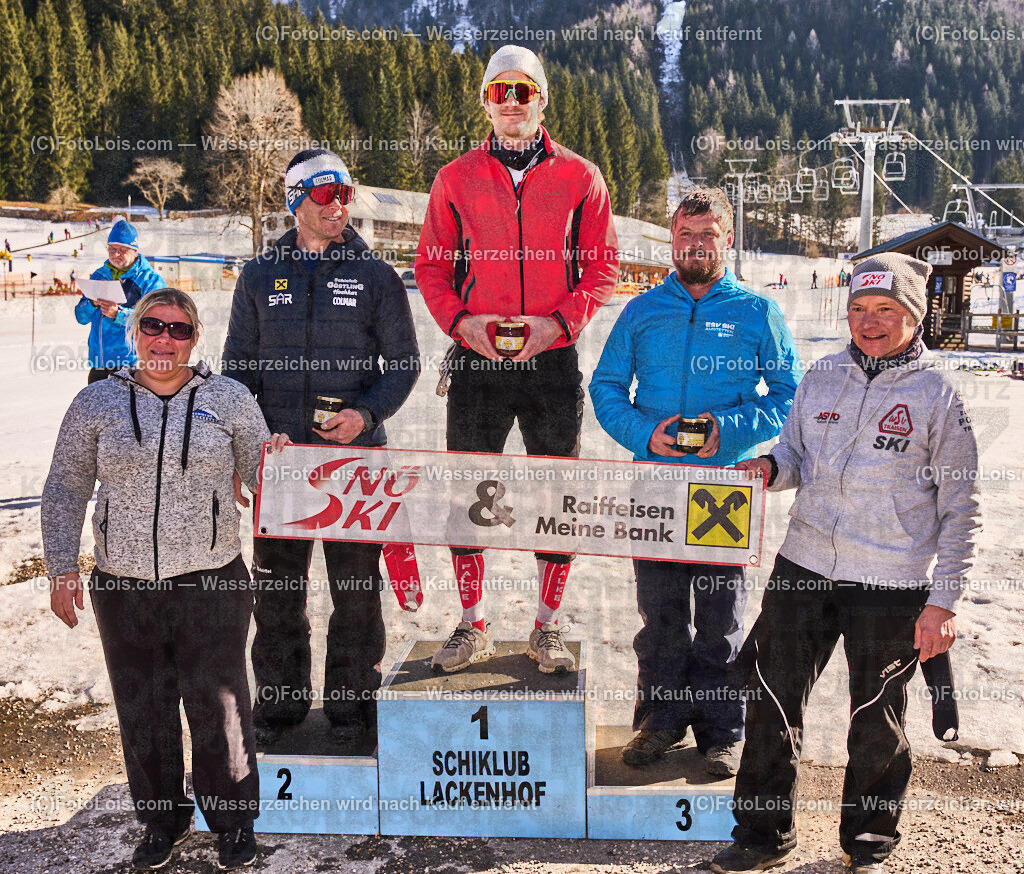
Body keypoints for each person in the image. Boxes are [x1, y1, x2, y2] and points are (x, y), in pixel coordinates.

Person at [711, 253, 981, 874]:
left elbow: (962, 509)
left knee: (876, 717)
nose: (870, 322)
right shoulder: (823, 374)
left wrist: (944, 601)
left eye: (886, 309)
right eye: (859, 309)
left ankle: (868, 844)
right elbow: (794, 453)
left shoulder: (939, 393)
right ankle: (761, 836)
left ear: (913, 314)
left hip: (889, 581)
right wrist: (770, 470)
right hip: (801, 565)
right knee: (772, 700)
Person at [42, 289, 286, 871]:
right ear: (134, 333)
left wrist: (276, 457)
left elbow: (263, 481)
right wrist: (61, 567)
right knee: (143, 705)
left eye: (178, 330)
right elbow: (66, 484)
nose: (164, 339)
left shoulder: (228, 398)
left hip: (213, 581)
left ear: (195, 339)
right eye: (153, 326)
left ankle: (232, 823)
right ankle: (160, 821)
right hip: (123, 585)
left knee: (219, 704)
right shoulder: (96, 402)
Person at [415, 44, 619, 674]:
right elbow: (430, 265)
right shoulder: (455, 177)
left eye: (523, 91)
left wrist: (558, 323)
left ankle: (547, 629)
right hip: (478, 362)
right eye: (499, 90)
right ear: (485, 100)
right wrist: (460, 322)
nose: (511, 102)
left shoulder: (581, 177)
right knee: (467, 496)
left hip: (552, 362)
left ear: (542, 100)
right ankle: (473, 623)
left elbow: (603, 266)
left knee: (556, 499)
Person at [590, 187, 801, 776]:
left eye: (707, 234)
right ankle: (659, 722)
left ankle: (720, 730)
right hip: (655, 483)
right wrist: (644, 434)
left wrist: (729, 431)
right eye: (685, 234)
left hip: (721, 490)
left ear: (726, 238)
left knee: (720, 615)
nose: (696, 245)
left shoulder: (758, 312)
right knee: (659, 615)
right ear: (672, 239)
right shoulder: (640, 312)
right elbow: (605, 388)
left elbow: (788, 396)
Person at [222, 148, 420, 748]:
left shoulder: (376, 276)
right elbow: (237, 369)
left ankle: (353, 712)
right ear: (295, 201)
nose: (339, 206)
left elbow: (405, 364)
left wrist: (365, 414)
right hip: (281, 462)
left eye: (345, 194)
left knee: (355, 595)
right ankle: (279, 710)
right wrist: (251, 443)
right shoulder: (259, 275)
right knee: (278, 596)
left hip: (354, 463)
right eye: (326, 194)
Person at [75, 219, 166, 383]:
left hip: (133, 365)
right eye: (112, 249)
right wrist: (92, 303)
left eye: (122, 249)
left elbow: (158, 321)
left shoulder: (150, 280)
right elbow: (81, 317)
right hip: (99, 365)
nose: (115, 254)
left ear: (135, 251)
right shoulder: (99, 275)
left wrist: (119, 314)